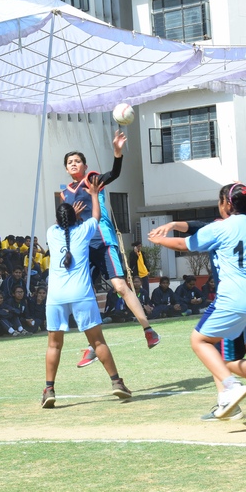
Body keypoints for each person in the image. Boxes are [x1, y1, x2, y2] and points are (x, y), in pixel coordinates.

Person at [149, 183, 246, 429]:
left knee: (200, 341)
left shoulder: (220, 228)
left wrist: (159, 240)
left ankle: (230, 387)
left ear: (226, 203)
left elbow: (184, 245)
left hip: (235, 294)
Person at [62, 130, 160, 369]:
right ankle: (93, 346)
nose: (73, 164)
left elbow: (114, 174)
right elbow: (65, 223)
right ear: (66, 168)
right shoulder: (65, 193)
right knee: (82, 295)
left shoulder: (92, 180)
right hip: (82, 246)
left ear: (85, 166)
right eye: (70, 162)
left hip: (102, 240)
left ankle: (148, 329)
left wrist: (117, 153)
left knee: (119, 286)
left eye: (77, 161)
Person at [42, 177, 132, 408]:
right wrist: (93, 194)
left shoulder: (51, 233)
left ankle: (49, 389)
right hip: (81, 294)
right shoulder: (84, 230)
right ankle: (116, 382)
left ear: (58, 219)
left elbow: (62, 224)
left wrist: (70, 213)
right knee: (98, 342)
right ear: (76, 218)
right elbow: (96, 217)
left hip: (56, 297)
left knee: (54, 345)